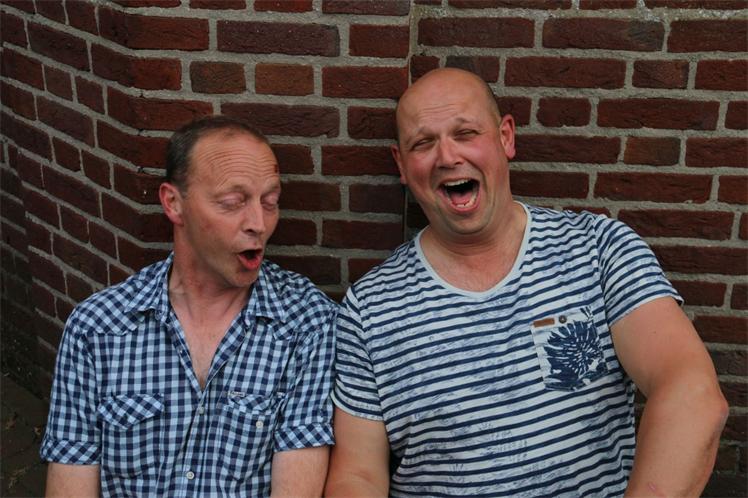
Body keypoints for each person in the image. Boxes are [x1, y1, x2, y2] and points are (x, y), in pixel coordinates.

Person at [325, 68, 728, 497]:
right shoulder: (369, 308)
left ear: (505, 138)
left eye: (465, 133)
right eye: (423, 143)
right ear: (401, 165)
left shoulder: (599, 250)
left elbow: (690, 392)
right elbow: (358, 476)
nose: (447, 156)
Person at [40, 116, 337, 497]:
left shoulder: (307, 323)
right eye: (232, 203)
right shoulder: (97, 329)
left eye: (270, 202)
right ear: (173, 203)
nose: (259, 224)